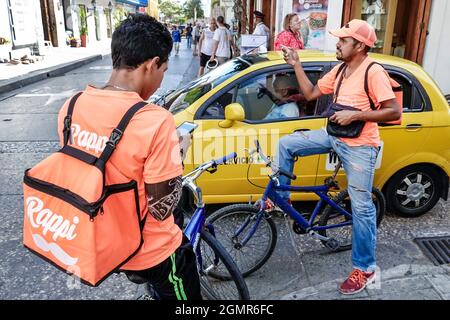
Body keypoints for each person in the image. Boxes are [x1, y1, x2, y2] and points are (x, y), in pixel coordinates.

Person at [57, 14, 202, 300]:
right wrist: (178, 153)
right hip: (152, 252)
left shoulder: (71, 106)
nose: (161, 80)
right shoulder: (154, 120)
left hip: (104, 242)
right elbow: (162, 208)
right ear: (150, 65)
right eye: (163, 69)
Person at [278, 19, 401, 295]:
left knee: (362, 208)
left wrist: (355, 114)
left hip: (360, 147)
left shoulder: (373, 71)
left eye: (344, 40)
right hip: (334, 135)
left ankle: (365, 269)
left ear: (359, 45)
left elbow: (394, 111)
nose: (338, 43)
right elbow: (310, 93)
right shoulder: (341, 69)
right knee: (286, 144)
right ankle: (283, 204)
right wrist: (296, 64)